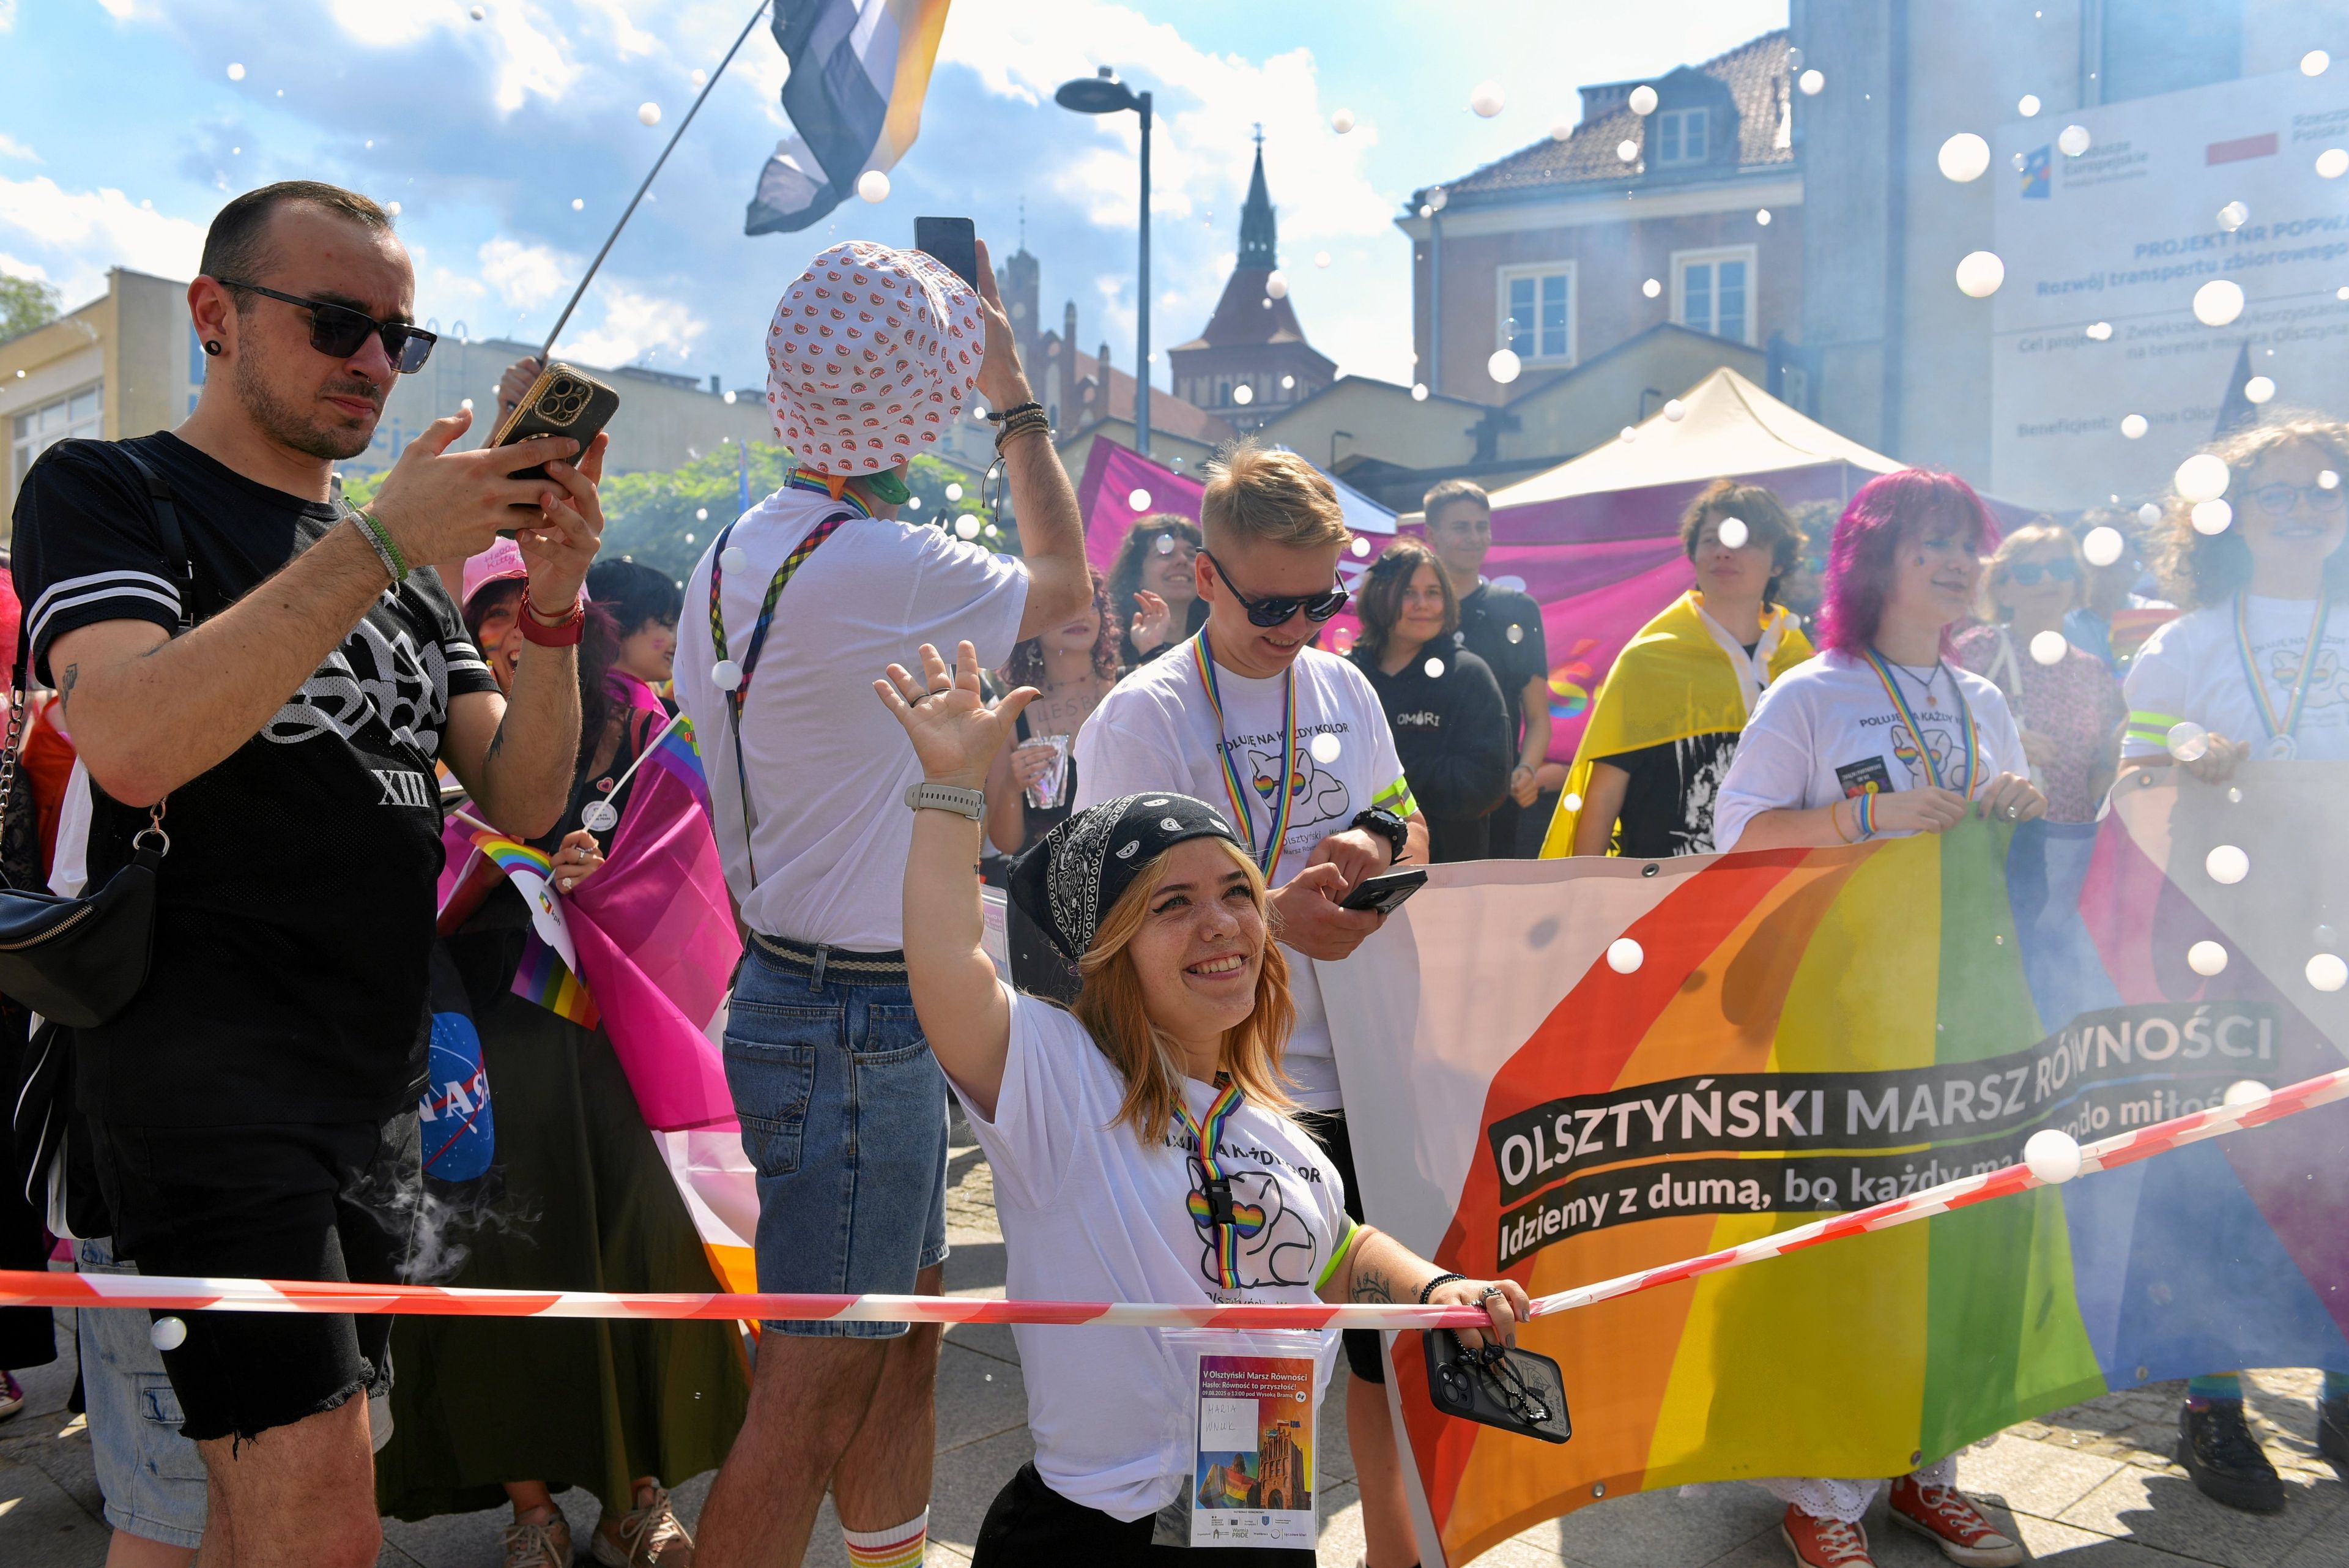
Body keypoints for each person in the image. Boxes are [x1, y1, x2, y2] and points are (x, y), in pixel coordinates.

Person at [7, 179, 600, 1567]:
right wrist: (385, 537)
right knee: (317, 1523)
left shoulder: (404, 573)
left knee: (254, 1522)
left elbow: (520, 792)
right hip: (200, 1094)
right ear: (215, 315)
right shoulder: (113, 493)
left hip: (371, 1093)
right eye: (341, 324)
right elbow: (134, 738)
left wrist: (557, 610)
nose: (378, 366)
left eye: (405, 337)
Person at [876, 639, 1529, 1564]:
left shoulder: (1277, 1124)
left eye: (1235, 891)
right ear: (1106, 947)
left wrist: (1435, 1287)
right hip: (1093, 1535)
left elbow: (1335, 1243)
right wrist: (951, 787)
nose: (1219, 920)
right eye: (1169, 903)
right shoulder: (1058, 1081)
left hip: (1259, 1509)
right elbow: (944, 958)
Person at [672, 237, 1089, 1568]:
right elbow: (1068, 590)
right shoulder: (883, 564)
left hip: (819, 991)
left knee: (901, 1340)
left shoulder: (740, 548)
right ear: (925, 401)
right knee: (809, 1393)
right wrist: (1019, 402)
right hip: (856, 1015)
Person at [1073, 440, 1431, 1568]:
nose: (1302, 625)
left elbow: (1407, 816)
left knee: (1385, 1341)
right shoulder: (1143, 717)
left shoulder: (1344, 683)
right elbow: (1110, 925)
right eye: (1274, 601)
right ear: (1203, 576)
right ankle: (1254, 1554)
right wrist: (1267, 917)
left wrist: (1374, 841)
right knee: (1259, 1364)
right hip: (1223, 1094)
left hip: (1358, 1071)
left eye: (1324, 597)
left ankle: (1402, 1554)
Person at [374, 541, 750, 1568]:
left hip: (616, 1052)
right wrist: (504, 871)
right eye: (487, 610)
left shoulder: (646, 723)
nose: (506, 629)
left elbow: (686, 870)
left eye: (529, 606)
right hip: (476, 1054)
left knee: (633, 1258)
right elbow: (393, 882)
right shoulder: (427, 728)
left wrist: (597, 880)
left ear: (576, 620)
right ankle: (530, 1509)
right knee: (494, 1268)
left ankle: (638, 1499)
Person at [1709, 469, 2038, 1567]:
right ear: (1875, 560)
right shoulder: (1813, 691)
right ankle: (1821, 1489)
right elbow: (1737, 837)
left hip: (1962, 1011)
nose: (1954, 561)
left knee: (1954, 1239)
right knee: (1846, 1244)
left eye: (1966, 543)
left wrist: (2014, 804)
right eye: (1930, 542)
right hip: (1839, 1012)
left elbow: (2006, 838)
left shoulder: (1982, 698)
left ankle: (1921, 1467)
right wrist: (1865, 813)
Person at [2118, 415, 2349, 1510]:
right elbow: (2134, 774)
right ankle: (2215, 1399)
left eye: (2324, 489)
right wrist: (2187, 752)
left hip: (2346, 938)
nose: (2304, 509)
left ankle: (2343, 1382)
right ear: (2232, 516)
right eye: (2279, 494)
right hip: (2229, 942)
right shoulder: (2188, 641)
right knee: (2230, 1160)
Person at [1542, 479, 1814, 859]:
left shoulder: (1802, 665)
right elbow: (1604, 793)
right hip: (1660, 894)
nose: (1723, 552)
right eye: (1710, 540)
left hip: (1774, 892)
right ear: (1693, 553)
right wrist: (1585, 892)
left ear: (1779, 561)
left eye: (1743, 541)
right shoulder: (1649, 659)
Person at [985, 568, 1122, 1003]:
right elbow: (1006, 841)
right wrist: (1010, 784)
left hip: (1127, 887)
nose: (1080, 613)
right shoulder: (1011, 709)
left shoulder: (1132, 689)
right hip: (1047, 909)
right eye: (1064, 604)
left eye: (1090, 602)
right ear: (1031, 623)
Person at [1347, 538, 1510, 861]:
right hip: (1354, 873)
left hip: (1449, 872)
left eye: (1433, 592)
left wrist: (1389, 769)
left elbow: (1486, 785)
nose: (1423, 604)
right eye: (1408, 592)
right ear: (1379, 595)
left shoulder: (1469, 675)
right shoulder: (1347, 675)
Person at [1951, 524, 2126, 824]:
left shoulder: (2091, 671)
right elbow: (1932, 732)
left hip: (2071, 843)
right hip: (1999, 838)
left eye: (2060, 568)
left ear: (2075, 583)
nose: (2047, 579)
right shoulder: (1980, 649)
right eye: (2029, 573)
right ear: (2003, 591)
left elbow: (2099, 769)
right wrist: (2003, 745)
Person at [1422, 480, 1551, 855]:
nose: (1475, 537)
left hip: (1496, 803)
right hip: (1421, 802)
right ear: (1432, 534)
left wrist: (1526, 771)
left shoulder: (1518, 608)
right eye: (1461, 527)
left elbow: (1539, 717)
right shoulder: (1411, 612)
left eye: (1482, 526)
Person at [2065, 505, 2175, 674]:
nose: (2125, 552)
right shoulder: (2058, 622)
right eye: (2113, 541)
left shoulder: (2163, 619)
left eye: (2134, 544)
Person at [1108, 513, 1208, 666]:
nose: (1182, 560)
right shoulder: (1111, 651)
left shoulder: (1214, 651)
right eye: (1166, 554)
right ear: (1138, 575)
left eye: (1190, 555)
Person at [587, 555, 685, 699]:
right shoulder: (649, 716)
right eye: (666, 624)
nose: (676, 643)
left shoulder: (572, 704)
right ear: (617, 623)